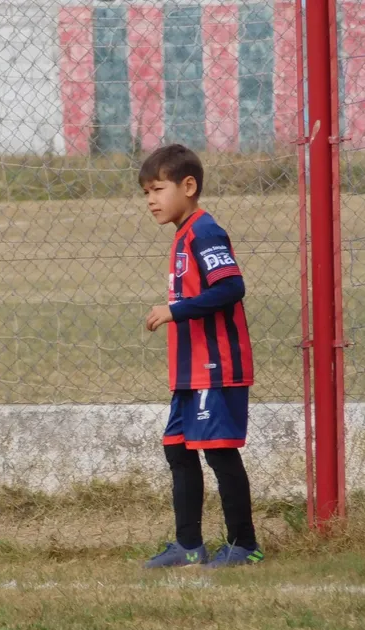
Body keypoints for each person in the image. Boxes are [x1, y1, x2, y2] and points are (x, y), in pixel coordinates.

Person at [140, 144, 264, 568]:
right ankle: (189, 547)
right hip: (189, 371)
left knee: (218, 451)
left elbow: (230, 287)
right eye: (146, 194)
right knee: (177, 447)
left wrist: (173, 310)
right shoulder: (182, 235)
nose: (151, 200)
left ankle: (245, 545)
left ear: (188, 186)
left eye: (158, 189)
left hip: (216, 367)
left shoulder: (204, 231)